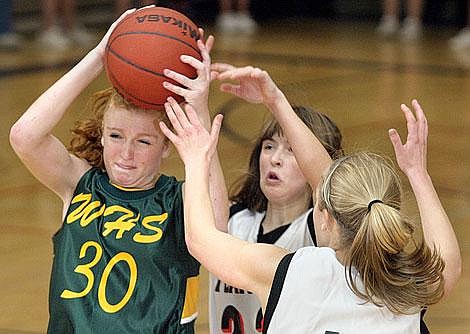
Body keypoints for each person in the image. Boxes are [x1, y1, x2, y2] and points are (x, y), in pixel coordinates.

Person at [159, 65, 462, 333]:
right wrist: (418, 174)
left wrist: (197, 159)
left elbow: (200, 239)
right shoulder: (407, 286)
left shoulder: (296, 272)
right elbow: (448, 264)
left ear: (326, 216)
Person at [10, 6, 227, 333]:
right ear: (102, 134)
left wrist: (198, 108)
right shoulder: (79, 183)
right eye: (115, 136)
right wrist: (101, 53)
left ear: (167, 146)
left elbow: (219, 231)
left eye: (143, 142)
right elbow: (24, 136)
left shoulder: (181, 199)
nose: (126, 153)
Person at [206, 63, 344, 334]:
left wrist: (275, 101)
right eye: (269, 146)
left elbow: (328, 181)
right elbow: (203, 154)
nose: (274, 159)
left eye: (291, 150)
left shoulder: (320, 232)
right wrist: (199, 98)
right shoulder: (234, 220)